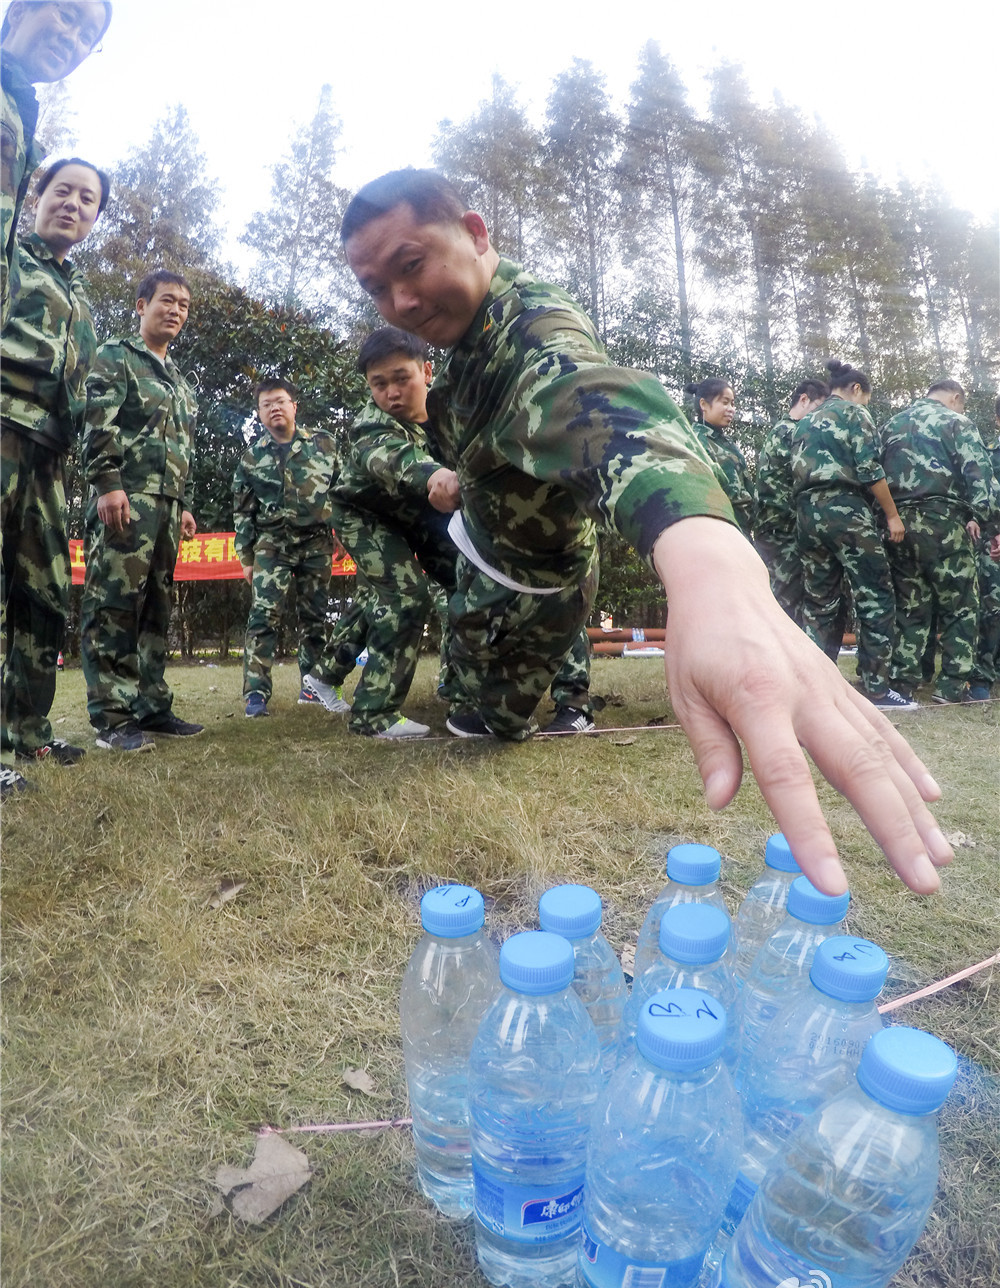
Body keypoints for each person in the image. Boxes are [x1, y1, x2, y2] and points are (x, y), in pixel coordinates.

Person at [340, 169, 952, 900]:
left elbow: (599, 405)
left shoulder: (533, 327)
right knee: (461, 694)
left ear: (475, 233)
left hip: (533, 586)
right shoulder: (461, 337)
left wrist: (710, 562)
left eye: (412, 265)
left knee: (491, 722)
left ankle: (492, 697)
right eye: (377, 288)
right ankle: (468, 685)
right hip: (482, 553)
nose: (401, 301)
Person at [0, 156, 108, 797]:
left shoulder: (82, 302)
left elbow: (85, 393)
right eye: (61, 190)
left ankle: (26, 731)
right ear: (35, 196)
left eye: (87, 199)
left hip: (47, 456)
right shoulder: (10, 253)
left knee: (42, 592)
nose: (72, 204)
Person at [80, 269, 202, 750]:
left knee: (156, 607)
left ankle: (151, 707)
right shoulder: (117, 356)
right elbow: (97, 420)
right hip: (125, 501)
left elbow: (182, 449)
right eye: (166, 300)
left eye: (184, 305)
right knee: (113, 604)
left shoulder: (180, 382)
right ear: (141, 305)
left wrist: (184, 504)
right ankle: (112, 717)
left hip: (167, 509)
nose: (175, 310)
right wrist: (108, 483)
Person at [330, 327, 458, 739]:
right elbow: (394, 459)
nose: (391, 394)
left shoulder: (449, 413)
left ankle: (462, 688)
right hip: (365, 514)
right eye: (378, 384)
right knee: (406, 595)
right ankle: (374, 715)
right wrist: (436, 474)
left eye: (402, 378)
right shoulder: (371, 424)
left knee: (471, 579)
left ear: (427, 371)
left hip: (415, 514)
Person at [789, 357, 916, 710]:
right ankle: (876, 689)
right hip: (845, 510)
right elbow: (869, 469)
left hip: (806, 516)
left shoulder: (804, 422)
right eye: (866, 399)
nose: (866, 407)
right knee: (875, 594)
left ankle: (813, 689)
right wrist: (892, 516)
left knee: (819, 603)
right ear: (856, 389)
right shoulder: (854, 414)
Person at [880, 379, 998, 704]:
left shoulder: (891, 425)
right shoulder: (957, 422)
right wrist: (985, 520)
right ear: (955, 398)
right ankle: (951, 687)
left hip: (898, 525)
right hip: (944, 523)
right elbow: (981, 477)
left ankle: (902, 684)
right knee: (961, 605)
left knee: (910, 606)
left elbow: (871, 474)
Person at [233, 377, 343, 720]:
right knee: (263, 617)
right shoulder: (251, 458)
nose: (274, 409)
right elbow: (242, 510)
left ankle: (312, 687)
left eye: (280, 401)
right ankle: (255, 694)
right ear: (259, 414)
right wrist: (246, 557)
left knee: (314, 618)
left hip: (317, 543)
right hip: (272, 545)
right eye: (266, 405)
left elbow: (343, 490)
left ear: (294, 406)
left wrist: (344, 532)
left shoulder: (325, 444)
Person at [1, 0, 111, 326]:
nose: (71, 38)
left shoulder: (18, 115)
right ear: (19, 9)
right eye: (67, 15)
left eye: (87, 36)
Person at [754, 378, 830, 624]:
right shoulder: (792, 431)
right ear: (804, 400)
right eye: (818, 406)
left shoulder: (782, 430)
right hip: (782, 530)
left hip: (778, 529)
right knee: (785, 603)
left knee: (786, 598)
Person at [685, 376, 754, 538]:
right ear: (704, 405)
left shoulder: (725, 442)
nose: (731, 409)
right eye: (725, 402)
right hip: (718, 533)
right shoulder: (697, 442)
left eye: (732, 403)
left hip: (740, 531)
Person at [970, 395, 1000, 701]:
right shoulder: (987, 456)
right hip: (994, 544)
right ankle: (981, 677)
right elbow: (978, 501)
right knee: (992, 609)